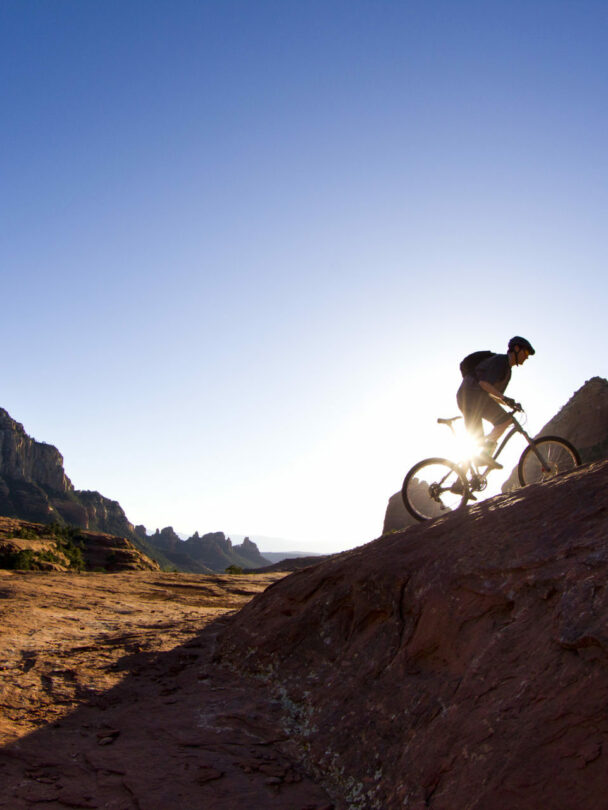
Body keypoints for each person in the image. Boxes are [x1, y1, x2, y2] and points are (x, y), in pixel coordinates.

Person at [456, 336, 535, 469]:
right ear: (516, 349)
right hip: (471, 397)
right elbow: (483, 383)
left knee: (483, 436)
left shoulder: (507, 371)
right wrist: (505, 399)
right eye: (526, 352)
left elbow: (493, 394)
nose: (527, 357)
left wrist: (509, 403)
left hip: (476, 399)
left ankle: (467, 472)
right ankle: (482, 457)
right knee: (486, 433)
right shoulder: (500, 361)